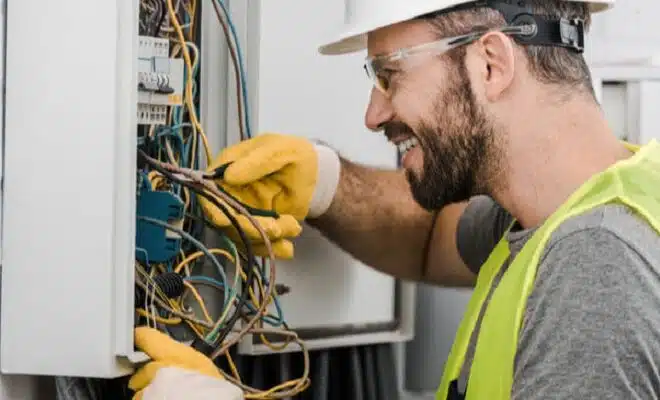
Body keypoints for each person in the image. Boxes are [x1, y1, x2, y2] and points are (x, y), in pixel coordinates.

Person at [133, 0, 660, 398]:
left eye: (390, 74)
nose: (373, 114)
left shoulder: (596, 261)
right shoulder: (557, 210)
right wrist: (327, 186)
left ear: (491, 64)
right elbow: (432, 237)